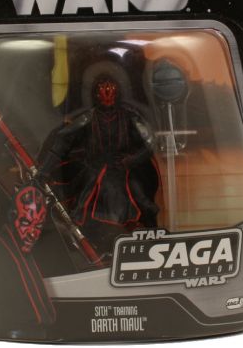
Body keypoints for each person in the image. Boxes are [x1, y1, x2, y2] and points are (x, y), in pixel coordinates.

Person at [38, 75, 160, 255]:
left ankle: (152, 238)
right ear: (96, 96)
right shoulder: (88, 118)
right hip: (95, 169)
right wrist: (44, 170)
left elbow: (150, 142)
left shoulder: (129, 117)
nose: (108, 100)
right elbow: (63, 140)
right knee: (83, 204)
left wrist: (132, 160)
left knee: (142, 200)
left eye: (111, 95)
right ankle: (87, 239)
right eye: (103, 95)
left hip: (124, 169)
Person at [0, 185, 55, 339]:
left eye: (38, 225)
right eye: (26, 223)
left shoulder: (21, 250)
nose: (32, 233)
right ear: (12, 217)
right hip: (14, 337)